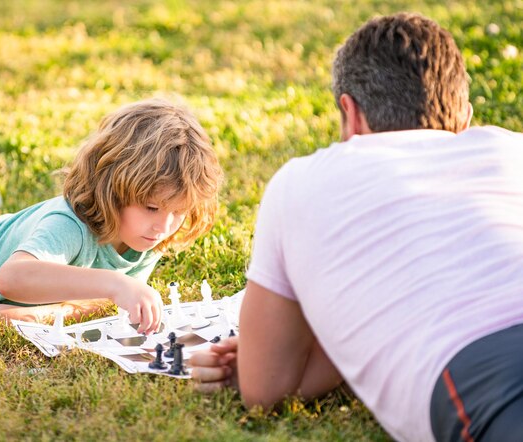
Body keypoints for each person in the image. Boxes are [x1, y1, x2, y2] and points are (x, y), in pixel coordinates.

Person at [191, 13, 523, 442]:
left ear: (351, 113)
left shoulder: (302, 182)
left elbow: (265, 390)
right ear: (466, 117)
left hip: (487, 374)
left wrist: (264, 359)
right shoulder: (512, 149)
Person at [0, 98, 223, 335]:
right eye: (151, 207)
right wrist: (116, 284)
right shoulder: (71, 223)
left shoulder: (144, 239)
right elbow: (13, 278)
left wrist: (35, 316)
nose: (163, 226)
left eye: (178, 212)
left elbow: (101, 302)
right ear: (111, 187)